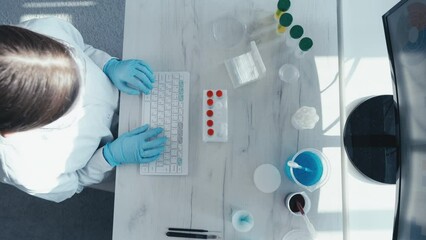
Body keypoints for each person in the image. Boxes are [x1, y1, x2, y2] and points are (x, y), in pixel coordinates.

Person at [0, 17, 167, 203]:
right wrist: (110, 157)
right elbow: (76, 182)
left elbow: (83, 48)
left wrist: (109, 64)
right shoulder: (29, 170)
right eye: (66, 104)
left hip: (122, 89)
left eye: (77, 67)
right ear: (14, 132)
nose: (83, 94)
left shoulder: (44, 29)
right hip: (103, 157)